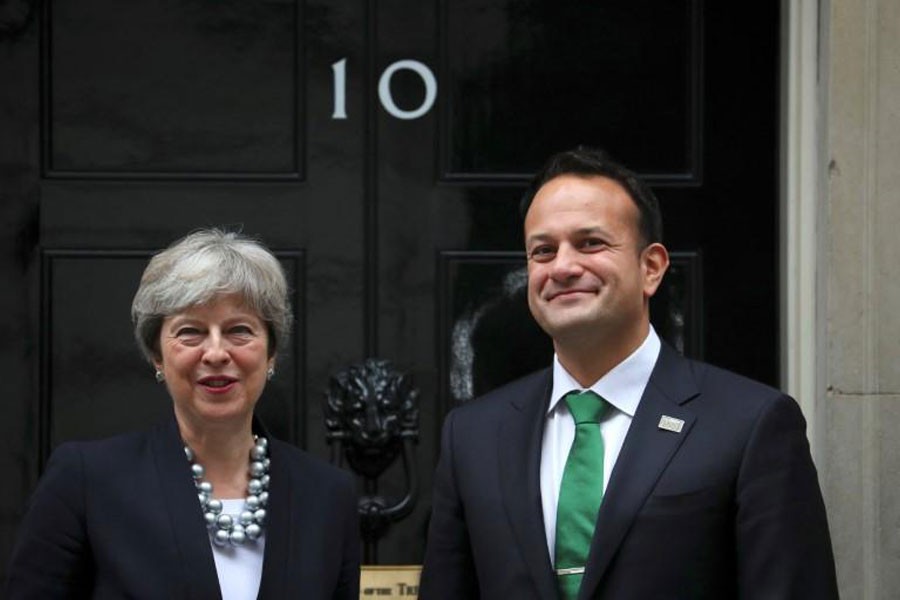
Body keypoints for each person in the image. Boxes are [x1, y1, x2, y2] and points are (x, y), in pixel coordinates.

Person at [419, 147, 838, 599]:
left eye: (590, 243)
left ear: (651, 268)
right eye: (543, 250)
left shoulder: (751, 425)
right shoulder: (473, 436)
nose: (562, 266)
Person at [6, 229, 360, 599]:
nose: (216, 353)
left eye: (239, 330)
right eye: (190, 332)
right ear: (157, 355)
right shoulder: (86, 481)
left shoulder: (328, 496)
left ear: (270, 354)